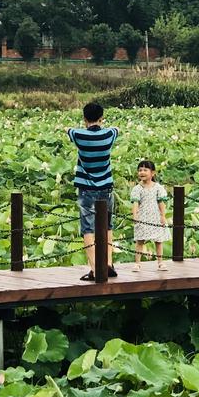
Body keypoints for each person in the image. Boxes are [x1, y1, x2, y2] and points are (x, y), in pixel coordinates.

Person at [67, 101, 118, 280]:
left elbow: (68, 131)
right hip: (106, 187)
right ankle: (109, 263)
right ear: (101, 118)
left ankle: (96, 269)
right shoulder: (110, 135)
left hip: (86, 189)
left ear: (84, 118)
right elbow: (116, 129)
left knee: (88, 228)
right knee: (108, 225)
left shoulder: (79, 135)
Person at [130, 159, 171, 272]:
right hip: (142, 216)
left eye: (145, 170)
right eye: (140, 170)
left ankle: (160, 262)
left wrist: (163, 216)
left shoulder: (158, 187)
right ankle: (137, 263)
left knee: (158, 240)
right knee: (140, 240)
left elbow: (161, 203)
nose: (142, 172)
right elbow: (135, 203)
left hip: (155, 216)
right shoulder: (137, 188)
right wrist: (135, 215)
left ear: (153, 173)